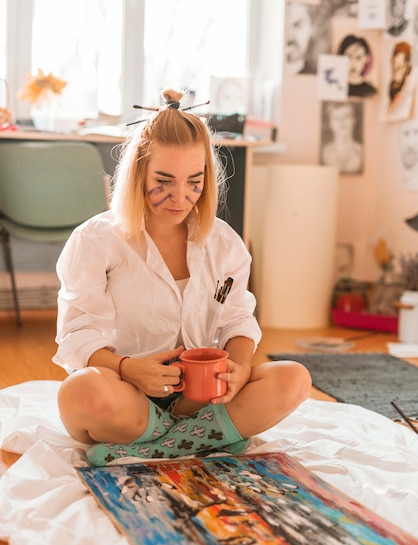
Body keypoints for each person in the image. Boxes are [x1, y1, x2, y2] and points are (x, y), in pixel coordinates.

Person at [53, 88, 312, 467]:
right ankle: (208, 439)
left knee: (294, 379)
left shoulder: (224, 243)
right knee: (81, 393)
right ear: (138, 174)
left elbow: (238, 319)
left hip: (199, 398)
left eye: (194, 181)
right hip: (126, 394)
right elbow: (76, 335)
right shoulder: (95, 240)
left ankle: (155, 446)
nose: (180, 197)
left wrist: (238, 371)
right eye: (164, 180)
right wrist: (128, 369)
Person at [321, 102, 363, 174]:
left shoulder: (361, 151)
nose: (342, 122)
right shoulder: (325, 152)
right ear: (330, 123)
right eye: (337, 118)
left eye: (346, 117)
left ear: (354, 120)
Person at [285, 2, 318, 74]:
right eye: (283, 26)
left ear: (312, 28)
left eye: (298, 25)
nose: (289, 35)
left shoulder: (317, 75)